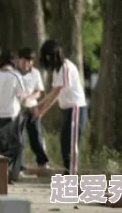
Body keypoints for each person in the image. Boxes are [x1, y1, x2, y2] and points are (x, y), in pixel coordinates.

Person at [34, 39, 87, 175]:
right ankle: (67, 171)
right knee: (64, 142)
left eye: (47, 56)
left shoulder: (65, 67)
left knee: (71, 144)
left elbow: (57, 94)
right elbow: (52, 92)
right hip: (67, 110)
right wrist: (37, 105)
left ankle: (71, 175)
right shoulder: (57, 71)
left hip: (75, 109)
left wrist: (42, 112)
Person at [17, 47, 50, 169]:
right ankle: (18, 164)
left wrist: (29, 98)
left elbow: (39, 91)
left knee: (35, 135)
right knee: (19, 137)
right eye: (25, 60)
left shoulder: (35, 73)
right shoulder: (14, 73)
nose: (28, 63)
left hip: (32, 107)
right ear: (19, 60)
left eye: (30, 61)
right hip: (17, 109)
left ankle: (42, 161)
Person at [0, 51, 31, 128]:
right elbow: (22, 96)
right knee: (14, 138)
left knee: (3, 137)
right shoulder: (16, 75)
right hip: (12, 114)